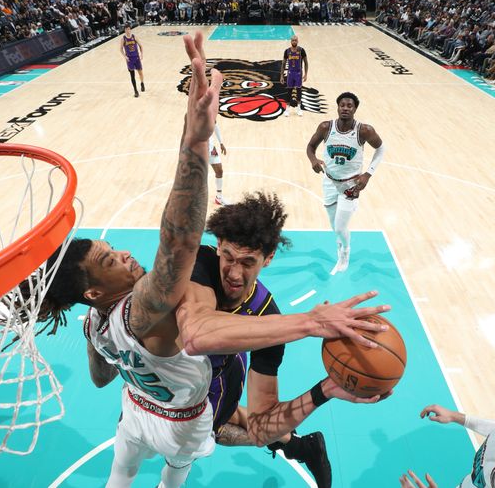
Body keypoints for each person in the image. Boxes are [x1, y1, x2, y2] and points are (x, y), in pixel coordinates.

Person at [42, 32, 223, 488]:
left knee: (120, 474)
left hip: (136, 405)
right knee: (172, 477)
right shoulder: (137, 308)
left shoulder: (93, 322)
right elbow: (179, 242)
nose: (122, 252)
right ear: (94, 290)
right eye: (108, 258)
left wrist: (101, 341)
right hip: (180, 416)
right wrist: (194, 140)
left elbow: (103, 379)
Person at [180, 192, 390, 487]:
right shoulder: (198, 264)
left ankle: (301, 447)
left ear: (268, 259)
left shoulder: (267, 315)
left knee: (218, 430)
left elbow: (260, 430)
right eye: (228, 256)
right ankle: (300, 446)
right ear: (218, 246)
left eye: (248, 262)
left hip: (217, 373)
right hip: (193, 363)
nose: (234, 273)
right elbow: (195, 333)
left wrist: (324, 390)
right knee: (220, 419)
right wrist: (311, 322)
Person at [306, 92, 385, 275]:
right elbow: (310, 147)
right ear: (338, 107)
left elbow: (381, 148)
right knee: (335, 226)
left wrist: (368, 174)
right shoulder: (326, 127)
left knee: (341, 227)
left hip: (351, 184)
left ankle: (345, 252)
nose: (346, 108)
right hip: (329, 181)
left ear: (355, 109)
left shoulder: (364, 130)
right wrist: (313, 160)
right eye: (342, 105)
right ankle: (341, 243)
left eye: (349, 106)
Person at [280, 35, 308, 117]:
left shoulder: (301, 50)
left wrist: (306, 74)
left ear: (298, 41)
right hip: (290, 73)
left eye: (295, 40)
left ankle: (299, 108)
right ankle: (287, 109)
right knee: (289, 91)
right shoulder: (287, 51)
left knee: (299, 91)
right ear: (291, 41)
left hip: (298, 73)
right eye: (293, 40)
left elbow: (306, 62)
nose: (294, 42)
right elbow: (283, 64)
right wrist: (281, 75)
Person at [121, 24, 144, 97]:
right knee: (132, 75)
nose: (128, 30)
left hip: (136, 57)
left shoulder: (134, 37)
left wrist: (142, 54)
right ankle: (135, 91)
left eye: (129, 29)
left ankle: (142, 83)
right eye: (126, 29)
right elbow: (121, 49)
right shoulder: (123, 39)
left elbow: (141, 46)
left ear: (130, 30)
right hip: (129, 59)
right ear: (125, 30)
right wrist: (125, 56)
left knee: (140, 72)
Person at [210, 122, 228, 205]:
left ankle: (219, 197)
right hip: (199, 149)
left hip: (211, 149)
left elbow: (215, 126)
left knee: (219, 171)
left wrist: (221, 143)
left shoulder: (210, 113)